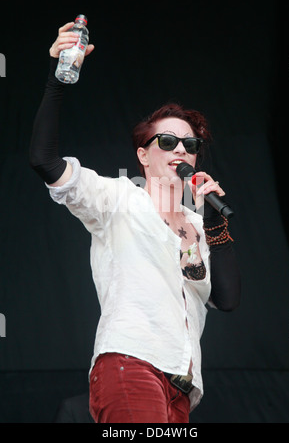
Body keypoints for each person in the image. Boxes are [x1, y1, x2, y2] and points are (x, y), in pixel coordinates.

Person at [29, 22, 241, 424]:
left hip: (181, 387)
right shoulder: (119, 198)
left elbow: (227, 300)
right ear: (144, 156)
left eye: (190, 144)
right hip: (131, 362)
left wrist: (212, 218)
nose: (181, 149)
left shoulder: (199, 223)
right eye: (167, 141)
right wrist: (58, 79)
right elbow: (45, 161)